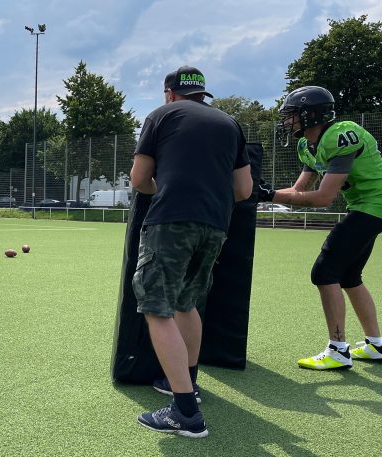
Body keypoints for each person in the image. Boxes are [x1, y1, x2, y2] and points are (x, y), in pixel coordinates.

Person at [130, 66, 252, 438]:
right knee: (187, 304)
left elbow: (139, 180)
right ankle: (187, 384)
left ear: (169, 93)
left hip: (171, 221)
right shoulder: (230, 123)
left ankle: (184, 411)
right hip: (216, 224)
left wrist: (168, 190)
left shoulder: (161, 115)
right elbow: (244, 189)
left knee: (156, 307)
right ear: (203, 94)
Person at [259, 85, 382, 370]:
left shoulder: (341, 135)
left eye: (292, 115)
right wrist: (266, 192)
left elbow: (323, 198)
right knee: (349, 276)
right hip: (366, 205)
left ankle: (338, 349)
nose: (287, 122)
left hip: (375, 203)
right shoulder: (306, 145)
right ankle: (376, 345)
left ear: (311, 115)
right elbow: (299, 191)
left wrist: (268, 195)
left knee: (324, 272)